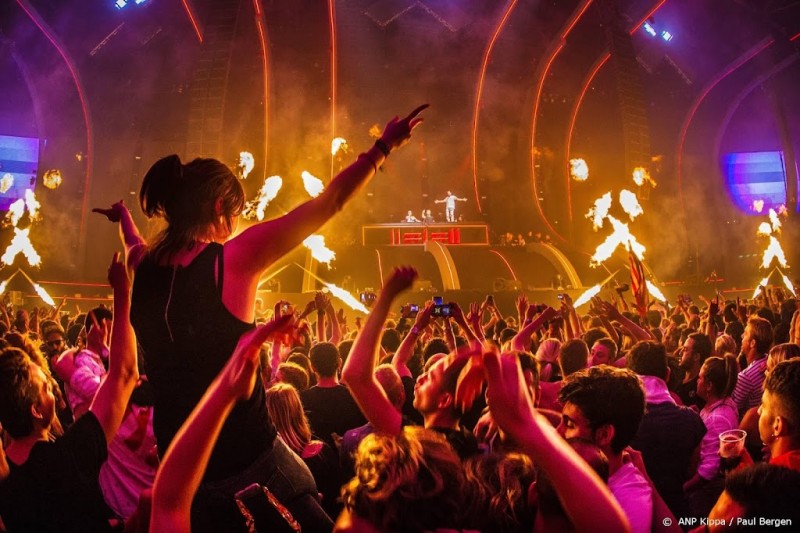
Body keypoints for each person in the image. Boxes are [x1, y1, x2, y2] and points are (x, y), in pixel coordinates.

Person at [95, 104, 428, 531]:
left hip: (183, 475)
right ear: (219, 207)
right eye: (234, 213)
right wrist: (382, 148)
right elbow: (329, 203)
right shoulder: (231, 261)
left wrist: (125, 219)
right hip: (253, 467)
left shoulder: (141, 267)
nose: (235, 224)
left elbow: (133, 244)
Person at [0, 253, 139, 532]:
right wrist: (123, 292)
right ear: (36, 410)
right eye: (46, 388)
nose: (53, 390)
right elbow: (124, 376)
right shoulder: (66, 459)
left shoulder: (6, 477)